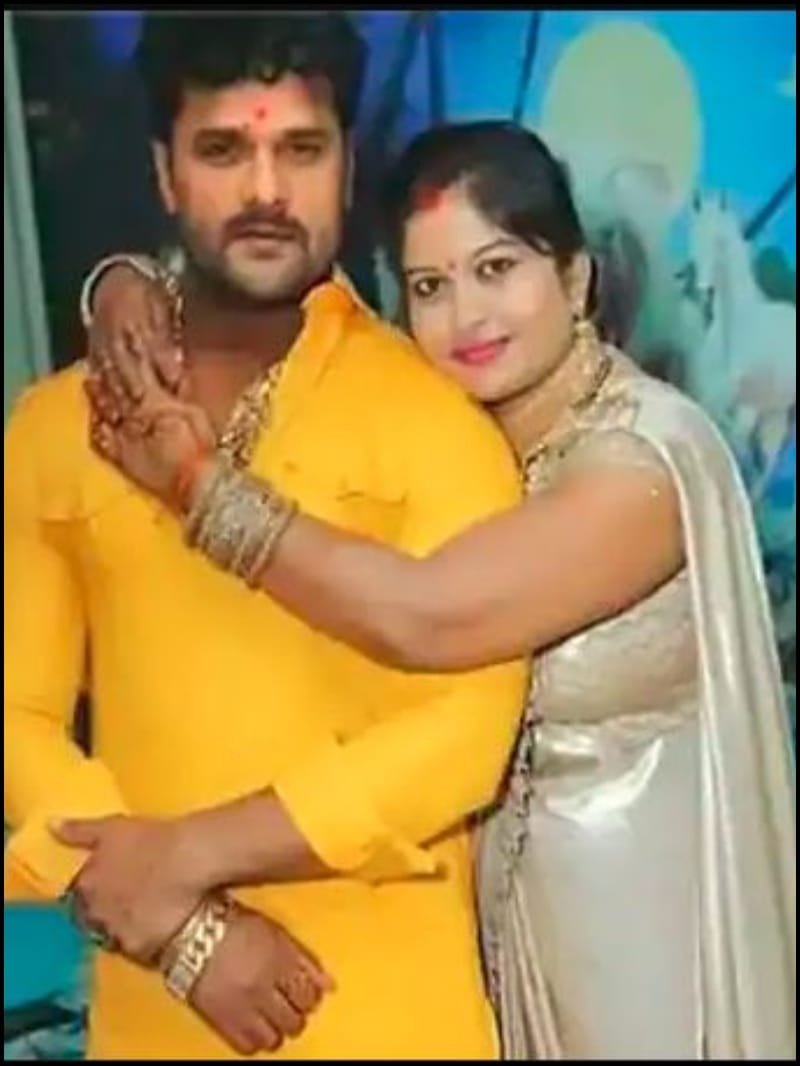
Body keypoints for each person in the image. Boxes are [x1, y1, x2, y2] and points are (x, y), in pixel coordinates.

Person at [82, 121, 795, 1060]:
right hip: (488, 945)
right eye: (430, 286)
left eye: (497, 269)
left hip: (644, 950)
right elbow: (291, 306)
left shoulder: (642, 469)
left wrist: (196, 485)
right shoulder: (452, 440)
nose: (468, 316)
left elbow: (426, 615)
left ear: (575, 277)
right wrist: (123, 284)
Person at [3, 16, 531, 1061]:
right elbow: (14, 713)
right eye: (221, 151)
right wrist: (186, 934)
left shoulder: (440, 423)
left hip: (390, 1018)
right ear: (163, 173)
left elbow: (467, 732)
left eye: (300, 149)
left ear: (346, 169)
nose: (265, 191)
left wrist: (185, 859)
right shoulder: (60, 427)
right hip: (157, 1018)